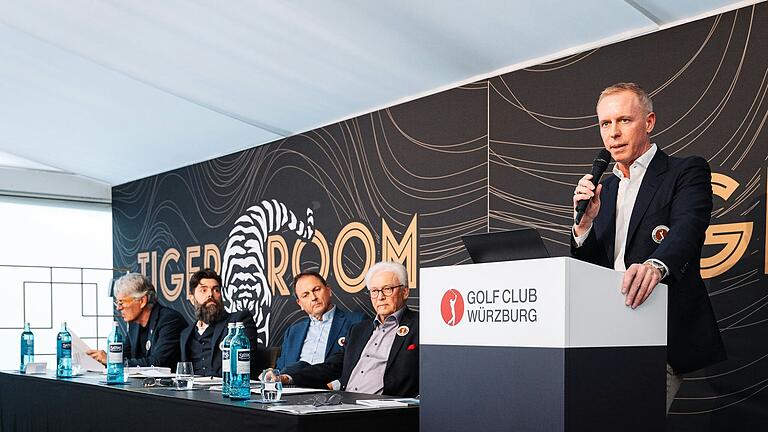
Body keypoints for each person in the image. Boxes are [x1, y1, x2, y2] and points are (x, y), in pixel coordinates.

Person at [570, 82, 726, 412]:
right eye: (605, 124)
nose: (613, 133)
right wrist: (583, 227)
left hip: (658, 336)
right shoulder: (605, 187)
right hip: (602, 336)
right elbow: (591, 267)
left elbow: (688, 229)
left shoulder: (685, 171)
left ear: (649, 122)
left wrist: (655, 266)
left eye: (624, 120)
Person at [274, 261, 419, 397]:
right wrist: (288, 378)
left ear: (405, 292)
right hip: (344, 403)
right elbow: (332, 366)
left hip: (385, 409)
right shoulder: (359, 330)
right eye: (374, 291)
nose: (380, 297)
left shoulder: (419, 326)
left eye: (387, 289)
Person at [87, 273, 185, 369]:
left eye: (121, 302)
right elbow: (125, 356)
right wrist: (102, 360)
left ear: (142, 301)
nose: (118, 308)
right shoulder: (134, 324)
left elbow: (158, 362)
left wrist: (111, 360)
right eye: (117, 303)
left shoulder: (170, 320)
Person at [276, 271, 365, 377]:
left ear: (329, 290)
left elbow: (362, 367)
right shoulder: (293, 332)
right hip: (293, 388)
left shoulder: (356, 322)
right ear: (300, 304)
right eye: (306, 295)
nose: (313, 297)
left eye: (317, 290)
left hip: (330, 389)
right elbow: (280, 369)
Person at [179, 269, 262, 377]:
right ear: (192, 298)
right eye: (204, 290)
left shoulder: (239, 321)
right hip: (190, 391)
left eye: (216, 290)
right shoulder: (185, 334)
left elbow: (245, 364)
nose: (210, 294)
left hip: (225, 389)